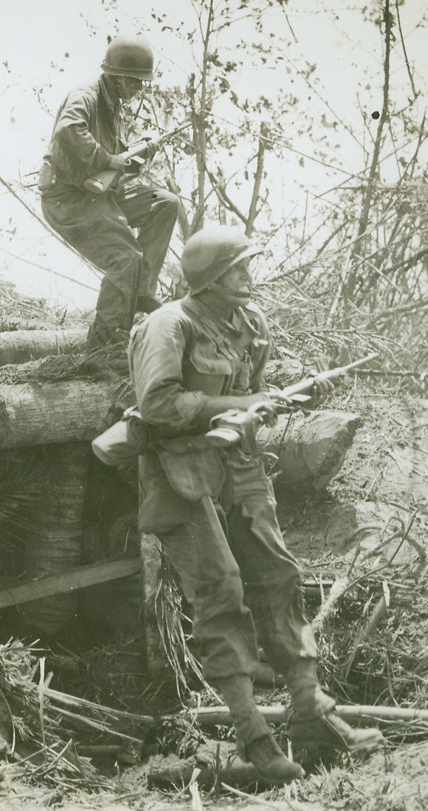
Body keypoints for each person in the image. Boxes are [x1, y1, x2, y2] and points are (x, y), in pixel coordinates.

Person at [128, 225, 384, 782]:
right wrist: (240, 402)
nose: (249, 276)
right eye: (238, 269)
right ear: (213, 279)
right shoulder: (168, 325)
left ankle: (309, 714)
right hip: (179, 471)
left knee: (277, 577)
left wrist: (274, 404)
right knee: (220, 591)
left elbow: (253, 397)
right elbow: (158, 405)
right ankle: (252, 738)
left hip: (239, 465)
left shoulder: (251, 325)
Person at [38, 36, 179, 367]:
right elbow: (68, 131)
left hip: (97, 194)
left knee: (166, 203)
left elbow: (114, 167)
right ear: (118, 76)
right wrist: (107, 157)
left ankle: (142, 290)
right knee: (125, 256)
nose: (139, 90)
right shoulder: (86, 96)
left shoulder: (113, 105)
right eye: (135, 83)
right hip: (67, 199)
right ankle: (102, 347)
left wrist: (140, 153)